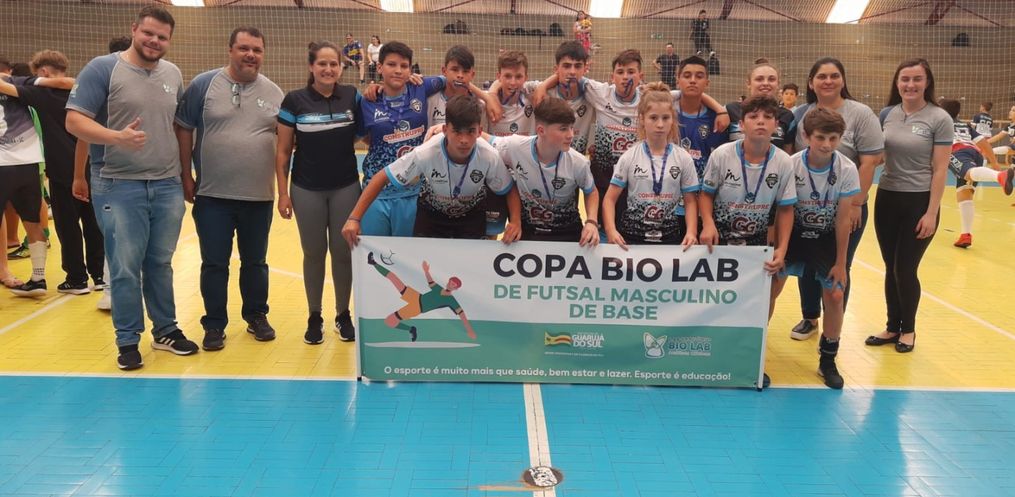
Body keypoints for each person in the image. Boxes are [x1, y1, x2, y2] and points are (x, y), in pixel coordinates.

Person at [66, 5, 195, 370]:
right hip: (118, 184)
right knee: (124, 266)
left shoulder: (173, 73)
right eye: (149, 33)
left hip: (166, 184)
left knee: (160, 263)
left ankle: (165, 330)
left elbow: (176, 127)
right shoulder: (102, 68)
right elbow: (74, 121)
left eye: (162, 37)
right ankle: (127, 339)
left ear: (169, 41)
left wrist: (185, 174)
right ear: (134, 29)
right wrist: (115, 138)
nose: (154, 41)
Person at [175, 27, 283, 351]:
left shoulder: (275, 93)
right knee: (214, 264)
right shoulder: (203, 85)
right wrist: (185, 174)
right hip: (212, 196)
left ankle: (256, 316)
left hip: (259, 197)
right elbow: (183, 128)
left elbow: (287, 143)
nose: (251, 55)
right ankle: (213, 325)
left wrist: (286, 190)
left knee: (256, 262)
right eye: (244, 48)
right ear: (230, 50)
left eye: (257, 50)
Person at [699, 95, 796, 387]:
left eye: (767, 117)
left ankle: (750, 359)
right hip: (720, 241)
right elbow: (706, 194)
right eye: (754, 117)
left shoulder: (783, 162)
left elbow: (786, 209)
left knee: (756, 302)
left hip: (756, 245)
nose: (761, 122)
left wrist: (782, 249)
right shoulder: (722, 155)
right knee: (716, 301)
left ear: (776, 125)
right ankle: (711, 357)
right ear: (742, 124)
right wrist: (708, 224)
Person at [787, 57, 883, 341]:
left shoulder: (861, 114)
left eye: (834, 76)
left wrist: (855, 204)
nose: (828, 81)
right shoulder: (799, 114)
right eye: (821, 76)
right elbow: (791, 157)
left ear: (843, 80)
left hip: (845, 204)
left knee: (839, 266)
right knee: (806, 263)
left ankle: (833, 329)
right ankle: (809, 317)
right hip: (805, 207)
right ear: (811, 82)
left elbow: (870, 161)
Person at [343, 95, 519, 244]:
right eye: (457, 131)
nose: (464, 140)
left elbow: (509, 188)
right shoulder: (426, 153)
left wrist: (516, 221)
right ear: (445, 130)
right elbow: (382, 176)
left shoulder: (489, 156)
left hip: (471, 213)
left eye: (470, 132)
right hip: (432, 214)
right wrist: (354, 218)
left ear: (480, 131)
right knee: (423, 268)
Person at [275, 41, 362, 345]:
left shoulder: (352, 96)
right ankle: (314, 316)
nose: (328, 69)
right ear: (311, 67)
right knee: (313, 253)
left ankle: (343, 314)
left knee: (343, 252)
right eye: (322, 64)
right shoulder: (294, 101)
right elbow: (283, 151)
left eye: (333, 64)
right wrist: (283, 193)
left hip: (346, 187)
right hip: (306, 189)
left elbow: (367, 126)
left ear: (341, 67)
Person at [865, 58, 953, 354]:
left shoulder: (939, 118)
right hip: (887, 198)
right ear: (897, 82)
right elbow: (878, 155)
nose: (910, 85)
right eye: (905, 79)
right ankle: (892, 326)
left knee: (905, 268)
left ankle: (909, 330)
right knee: (890, 267)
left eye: (917, 79)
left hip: (919, 201)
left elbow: (940, 169)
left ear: (927, 83)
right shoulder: (887, 114)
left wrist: (931, 212)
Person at [0, 50, 105, 295]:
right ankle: (100, 276)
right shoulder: (84, 92)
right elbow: (68, 82)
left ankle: (76, 279)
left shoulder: (40, 94)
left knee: (68, 226)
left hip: (61, 170)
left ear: (44, 72)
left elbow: (9, 88)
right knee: (93, 223)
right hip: (93, 166)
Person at [772, 108, 860, 389]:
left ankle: (828, 360)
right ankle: (754, 351)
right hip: (794, 235)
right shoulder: (790, 165)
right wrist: (779, 249)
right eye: (820, 137)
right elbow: (782, 210)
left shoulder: (847, 169)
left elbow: (843, 218)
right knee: (771, 287)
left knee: (835, 293)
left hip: (825, 239)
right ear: (806, 136)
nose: (826, 144)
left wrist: (841, 263)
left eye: (833, 138)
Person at [72, 36, 134, 312]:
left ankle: (123, 287)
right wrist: (79, 176)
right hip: (107, 170)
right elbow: (83, 135)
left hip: (146, 172)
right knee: (115, 233)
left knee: (130, 236)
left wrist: (78, 175)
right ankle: (111, 288)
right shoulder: (100, 82)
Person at [491, 98, 599, 245]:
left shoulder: (578, 162)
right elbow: (481, 137)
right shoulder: (515, 146)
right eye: (563, 129)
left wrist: (591, 222)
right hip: (527, 230)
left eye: (571, 128)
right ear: (541, 130)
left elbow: (591, 191)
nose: (571, 135)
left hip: (567, 231)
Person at [603, 83, 699, 248]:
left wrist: (691, 232)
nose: (660, 124)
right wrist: (611, 230)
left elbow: (690, 201)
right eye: (653, 118)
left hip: (670, 239)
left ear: (672, 120)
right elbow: (609, 199)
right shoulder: (629, 156)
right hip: (632, 238)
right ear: (642, 119)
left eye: (665, 118)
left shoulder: (683, 158)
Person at [0, 59, 50, 297]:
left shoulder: (14, 83)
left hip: (8, 163)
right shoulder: (18, 83)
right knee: (32, 221)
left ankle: (13, 272)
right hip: (28, 163)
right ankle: (39, 279)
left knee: (31, 220)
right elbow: (62, 82)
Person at [939, 98, 1014, 248]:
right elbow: (983, 143)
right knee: (964, 193)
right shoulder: (964, 124)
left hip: (956, 150)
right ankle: (966, 235)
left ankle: (1000, 177)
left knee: (968, 173)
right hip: (976, 152)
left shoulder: (938, 123)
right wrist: (994, 163)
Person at [366, 256, 475, 342]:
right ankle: (373, 263)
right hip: (416, 296)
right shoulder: (439, 289)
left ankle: (411, 329)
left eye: (454, 285)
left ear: (456, 288)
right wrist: (426, 271)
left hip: (417, 308)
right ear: (448, 282)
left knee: (389, 321)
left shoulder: (450, 300)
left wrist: (469, 331)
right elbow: (430, 281)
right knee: (394, 278)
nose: (451, 285)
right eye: (451, 282)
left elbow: (462, 315)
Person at [674, 55, 730, 179]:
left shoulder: (717, 118)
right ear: (677, 80)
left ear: (707, 83)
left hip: (703, 186)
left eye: (699, 76)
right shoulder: (665, 113)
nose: (693, 80)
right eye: (687, 76)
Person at [725, 59, 794, 151]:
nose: (765, 83)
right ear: (748, 83)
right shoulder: (731, 110)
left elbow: (787, 153)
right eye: (759, 79)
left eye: (771, 79)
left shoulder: (787, 116)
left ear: (778, 84)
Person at [426, 45, 479, 128]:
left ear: (472, 75)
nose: (460, 75)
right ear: (444, 71)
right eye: (455, 69)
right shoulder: (430, 101)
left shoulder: (480, 105)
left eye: (465, 71)